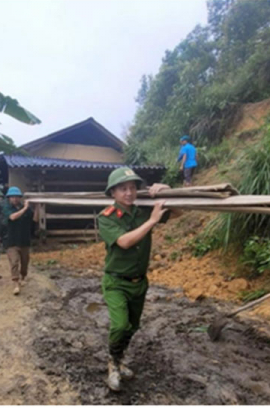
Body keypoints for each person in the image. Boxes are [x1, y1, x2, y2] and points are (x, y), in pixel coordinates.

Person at [98, 167, 172, 391]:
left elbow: (179, 212)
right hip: (116, 282)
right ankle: (112, 364)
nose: (129, 193)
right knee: (120, 325)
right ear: (113, 193)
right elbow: (124, 242)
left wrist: (168, 191)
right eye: (123, 189)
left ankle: (119, 361)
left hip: (139, 282)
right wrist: (152, 222)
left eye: (132, 188)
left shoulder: (143, 211)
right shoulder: (106, 217)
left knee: (133, 326)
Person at [1, 186, 38, 295]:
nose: (15, 199)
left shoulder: (25, 208)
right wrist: (25, 208)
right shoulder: (7, 208)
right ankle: (16, 283)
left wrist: (37, 208)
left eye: (17, 197)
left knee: (25, 262)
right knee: (14, 262)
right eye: (12, 197)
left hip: (24, 240)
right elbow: (12, 217)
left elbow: (34, 219)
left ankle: (23, 276)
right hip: (11, 241)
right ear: (9, 198)